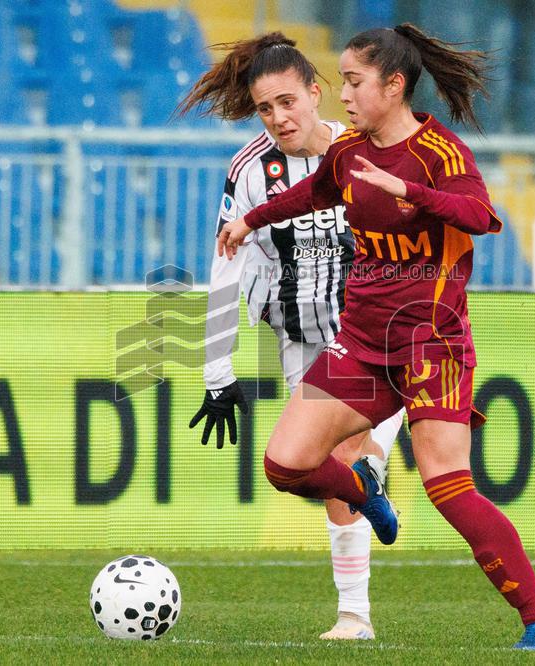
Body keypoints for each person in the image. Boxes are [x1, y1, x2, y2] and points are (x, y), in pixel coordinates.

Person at [216, 24, 535, 651]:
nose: (345, 95)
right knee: (285, 464)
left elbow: (481, 216)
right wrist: (251, 218)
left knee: (448, 488)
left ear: (394, 85)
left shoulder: (440, 153)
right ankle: (368, 495)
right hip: (361, 341)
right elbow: (312, 192)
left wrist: (410, 191)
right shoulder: (350, 151)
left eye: (354, 82)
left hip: (431, 345)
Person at [177, 33, 405, 641]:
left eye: (287, 102)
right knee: (328, 471)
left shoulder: (367, 150)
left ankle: (355, 612)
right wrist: (216, 371)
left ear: (316, 91)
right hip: (302, 339)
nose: (278, 118)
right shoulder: (251, 170)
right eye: (264, 108)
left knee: (356, 459)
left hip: (378, 331)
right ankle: (355, 611)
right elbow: (227, 264)